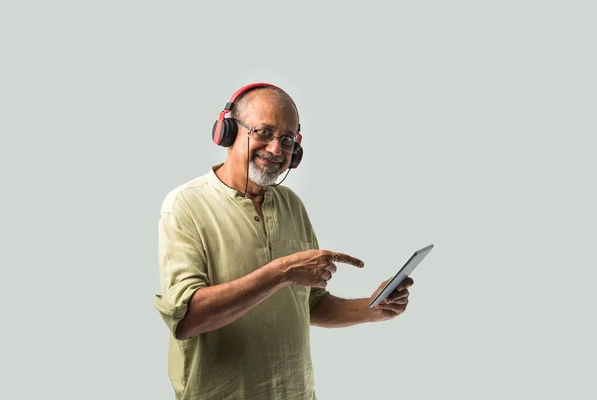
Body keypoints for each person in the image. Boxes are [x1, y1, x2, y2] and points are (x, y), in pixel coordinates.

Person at [153, 82, 414, 400]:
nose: (276, 150)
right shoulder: (184, 205)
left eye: (287, 140)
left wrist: (372, 309)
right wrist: (282, 272)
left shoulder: (291, 204)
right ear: (228, 131)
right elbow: (187, 320)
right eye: (263, 132)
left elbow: (309, 304)